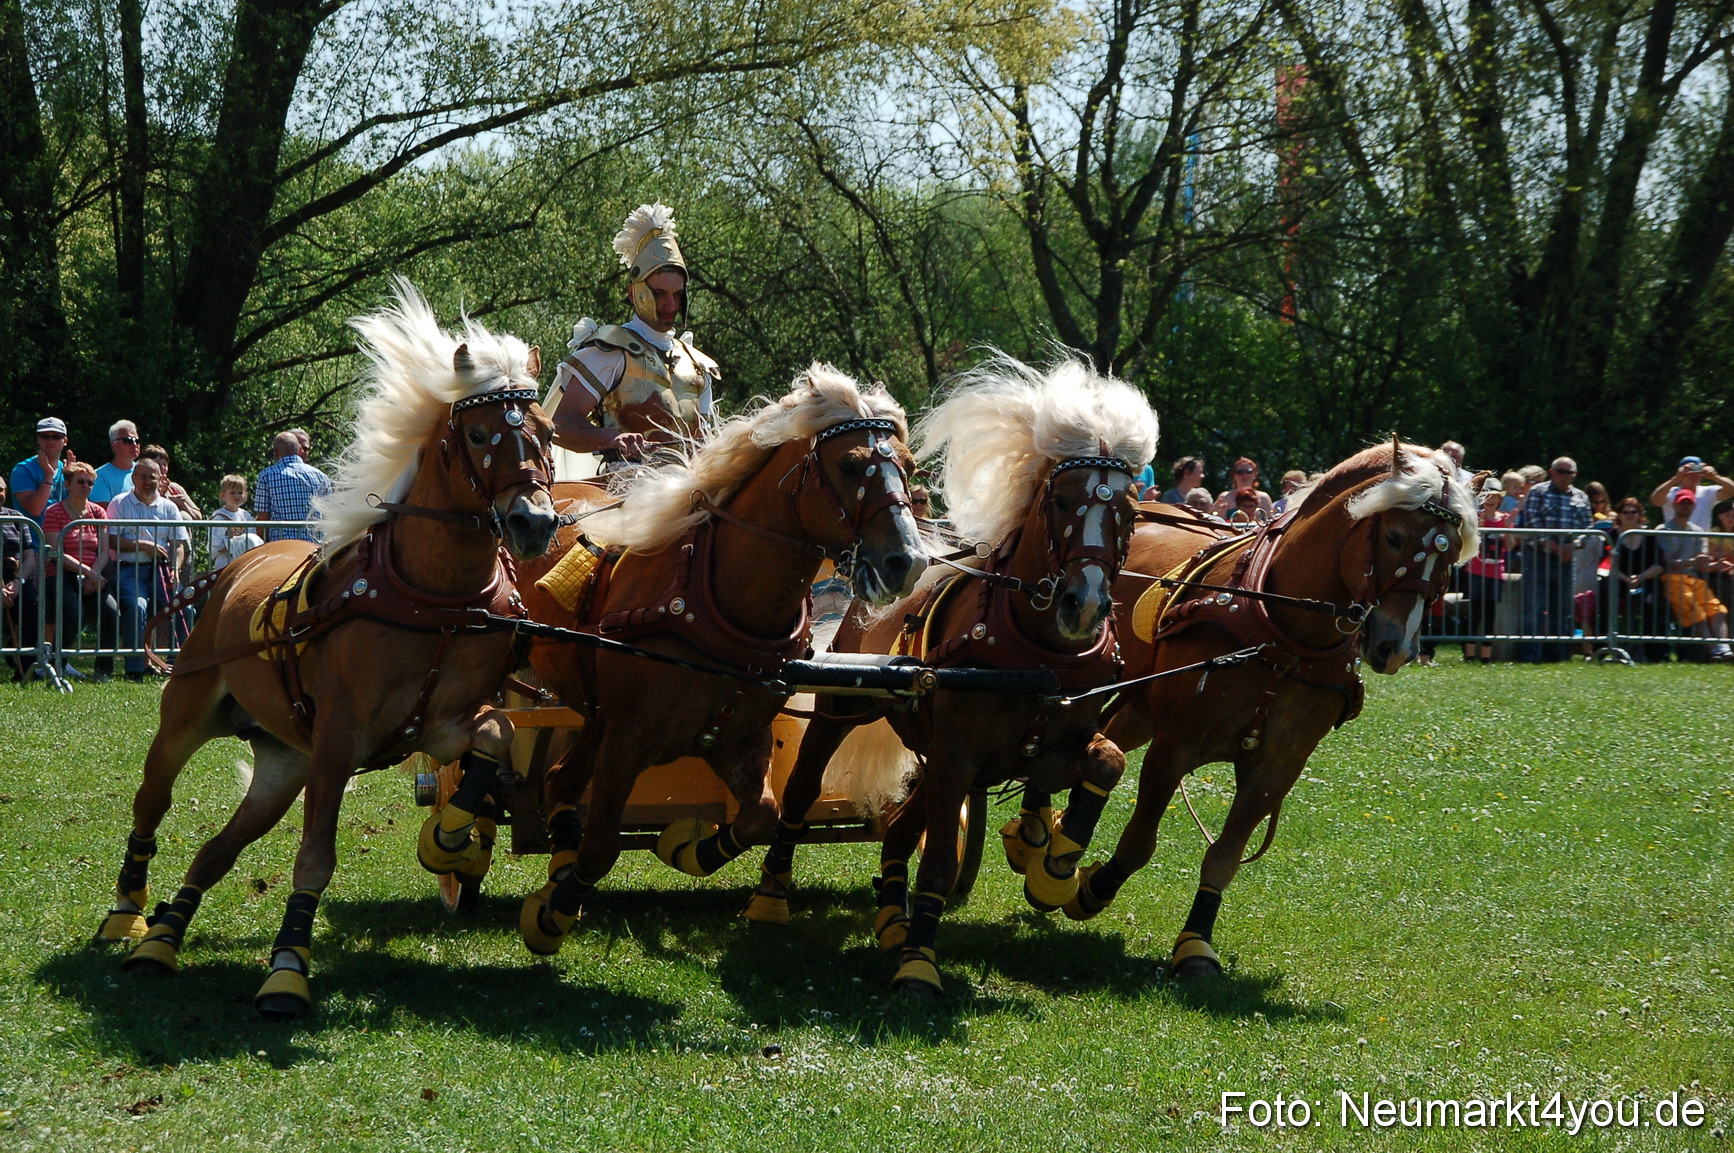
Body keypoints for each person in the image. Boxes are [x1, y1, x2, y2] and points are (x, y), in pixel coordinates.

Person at [549, 203, 720, 472]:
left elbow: (706, 440)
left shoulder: (697, 364)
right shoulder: (610, 350)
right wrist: (610, 438)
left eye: (677, 295)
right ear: (634, 293)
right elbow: (560, 425)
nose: (670, 305)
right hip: (626, 488)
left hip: (691, 490)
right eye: (660, 294)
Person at [108, 458, 189, 681]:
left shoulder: (169, 507)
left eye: (152, 477)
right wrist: (142, 545)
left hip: (162, 571)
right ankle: (135, 669)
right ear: (133, 478)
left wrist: (176, 567)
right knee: (138, 606)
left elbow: (179, 545)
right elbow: (112, 540)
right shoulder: (119, 503)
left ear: (159, 479)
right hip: (128, 569)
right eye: (142, 476)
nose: (147, 482)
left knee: (184, 607)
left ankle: (180, 665)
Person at [40, 460, 118, 679]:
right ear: (67, 484)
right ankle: (58, 663)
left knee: (112, 612)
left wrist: (93, 574)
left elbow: (104, 549)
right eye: (81, 481)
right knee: (74, 613)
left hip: (94, 573)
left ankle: (104, 670)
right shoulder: (54, 512)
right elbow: (56, 551)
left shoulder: (98, 512)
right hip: (61, 572)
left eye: (90, 482)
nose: (86, 486)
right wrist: (88, 572)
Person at [1513, 456, 1591, 662]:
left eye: (1570, 472)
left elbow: (1587, 529)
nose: (1565, 476)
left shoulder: (1581, 496)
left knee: (1564, 611)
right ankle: (1530, 657)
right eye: (1561, 471)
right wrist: (1554, 546)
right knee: (1533, 610)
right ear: (1552, 472)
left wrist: (1572, 546)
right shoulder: (1538, 492)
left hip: (1566, 560)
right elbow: (1532, 523)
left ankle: (1558, 657)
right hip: (1537, 558)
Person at [1655, 488, 1734, 661]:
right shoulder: (1663, 529)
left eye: (1688, 503)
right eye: (1682, 503)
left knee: (1718, 609)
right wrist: (1694, 561)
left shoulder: (1698, 531)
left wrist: (1716, 565)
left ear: (1694, 506)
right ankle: (1714, 651)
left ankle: (1723, 648)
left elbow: (1703, 566)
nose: (1685, 506)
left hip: (1695, 579)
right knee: (1696, 611)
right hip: (1672, 579)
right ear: (1675, 505)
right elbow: (1666, 564)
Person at [1606, 498, 1669, 662]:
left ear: (1640, 514)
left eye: (1633, 512)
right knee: (1604, 600)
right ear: (1619, 515)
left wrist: (1640, 577)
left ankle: (1656, 653)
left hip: (1647, 580)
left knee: (1653, 603)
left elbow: (1659, 565)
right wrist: (1626, 579)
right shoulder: (1611, 536)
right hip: (1618, 581)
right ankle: (1606, 649)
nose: (1629, 515)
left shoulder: (1649, 536)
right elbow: (1606, 565)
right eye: (1625, 512)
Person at [1463, 478, 1511, 663]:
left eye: (1494, 496)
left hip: (1496, 572)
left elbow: (1511, 545)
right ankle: (1468, 656)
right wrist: (1480, 524)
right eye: (1487, 495)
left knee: (1490, 616)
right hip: (1476, 571)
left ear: (1499, 499)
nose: (1490, 499)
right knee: (1474, 614)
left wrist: (1508, 529)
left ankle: (1485, 658)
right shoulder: (1475, 516)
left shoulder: (1505, 518)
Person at [255, 431, 331, 542]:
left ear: (276, 452)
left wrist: (260, 545)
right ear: (299, 450)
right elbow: (327, 514)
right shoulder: (321, 477)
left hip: (280, 544)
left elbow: (263, 517)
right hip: (315, 545)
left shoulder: (266, 475)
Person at [1647, 456, 1734, 531]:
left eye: (1697, 470)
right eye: (1688, 470)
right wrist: (1676, 478)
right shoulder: (1671, 492)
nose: (1694, 474)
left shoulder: (1707, 492)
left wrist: (1716, 477)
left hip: (1699, 544)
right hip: (1674, 543)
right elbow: (1655, 500)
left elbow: (1731, 491)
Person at [10, 416, 70, 524]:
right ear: (38, 439)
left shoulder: (67, 470)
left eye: (56, 436)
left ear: (65, 441)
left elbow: (79, 508)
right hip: (31, 540)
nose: (50, 441)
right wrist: (48, 475)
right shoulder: (23, 470)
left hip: (62, 539)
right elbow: (35, 510)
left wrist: (73, 479)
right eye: (45, 436)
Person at [208, 474, 262, 569]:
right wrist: (238, 544)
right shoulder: (218, 517)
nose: (237, 496)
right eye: (232, 493)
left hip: (244, 560)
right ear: (223, 495)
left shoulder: (246, 515)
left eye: (240, 492)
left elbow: (253, 536)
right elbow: (216, 546)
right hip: (225, 561)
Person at [90, 419, 140, 504]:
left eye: (137, 441)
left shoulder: (145, 472)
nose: (134, 445)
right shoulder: (100, 476)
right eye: (128, 440)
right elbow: (103, 513)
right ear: (114, 445)